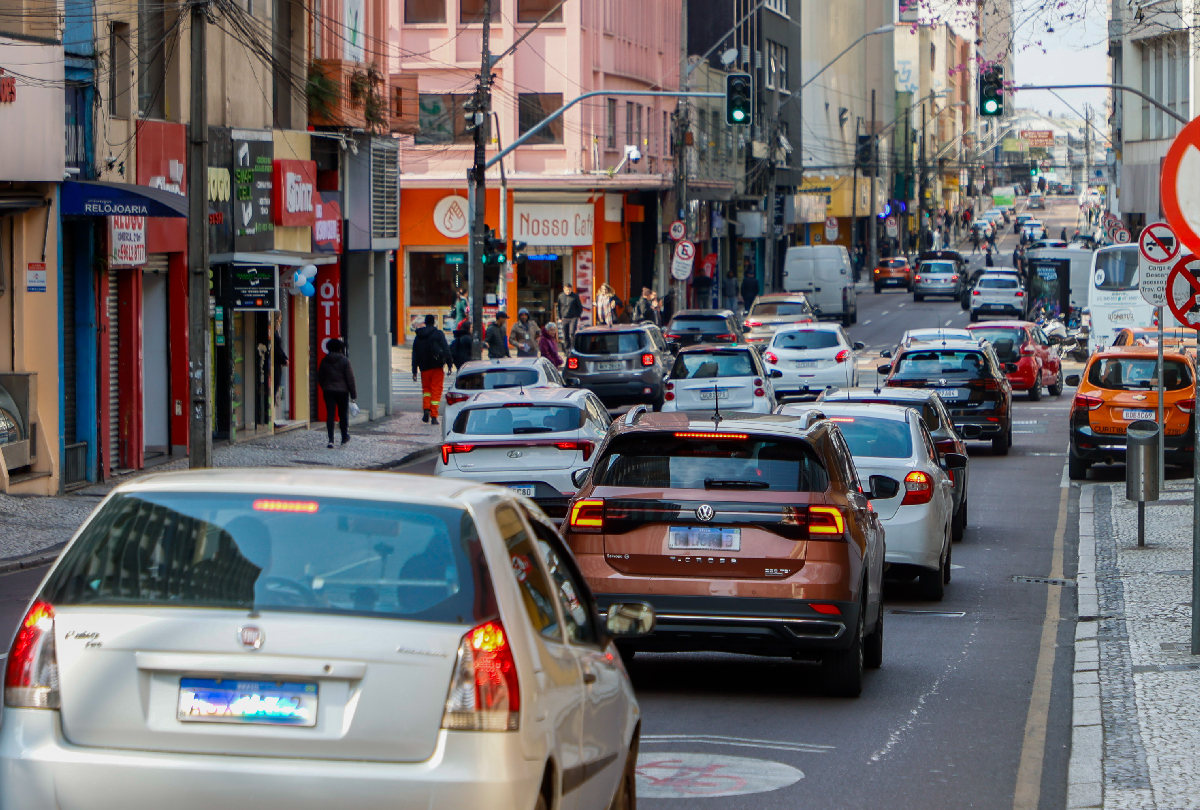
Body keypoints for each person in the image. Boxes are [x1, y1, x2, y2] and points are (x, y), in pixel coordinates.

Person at [412, 314, 452, 425]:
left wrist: (414, 370)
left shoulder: (418, 336)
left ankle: (426, 409)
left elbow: (414, 354)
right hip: (437, 366)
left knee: (426, 390)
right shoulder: (438, 334)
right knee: (436, 390)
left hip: (424, 367)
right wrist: (449, 364)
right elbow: (446, 349)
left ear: (425, 322)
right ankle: (434, 416)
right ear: (434, 322)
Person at [317, 338, 357, 449]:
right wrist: (353, 395)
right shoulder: (344, 361)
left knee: (330, 414)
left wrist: (325, 387)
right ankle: (344, 437)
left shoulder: (324, 361)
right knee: (342, 415)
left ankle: (331, 440)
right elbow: (350, 379)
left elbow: (320, 377)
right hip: (342, 391)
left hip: (328, 391)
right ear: (340, 348)